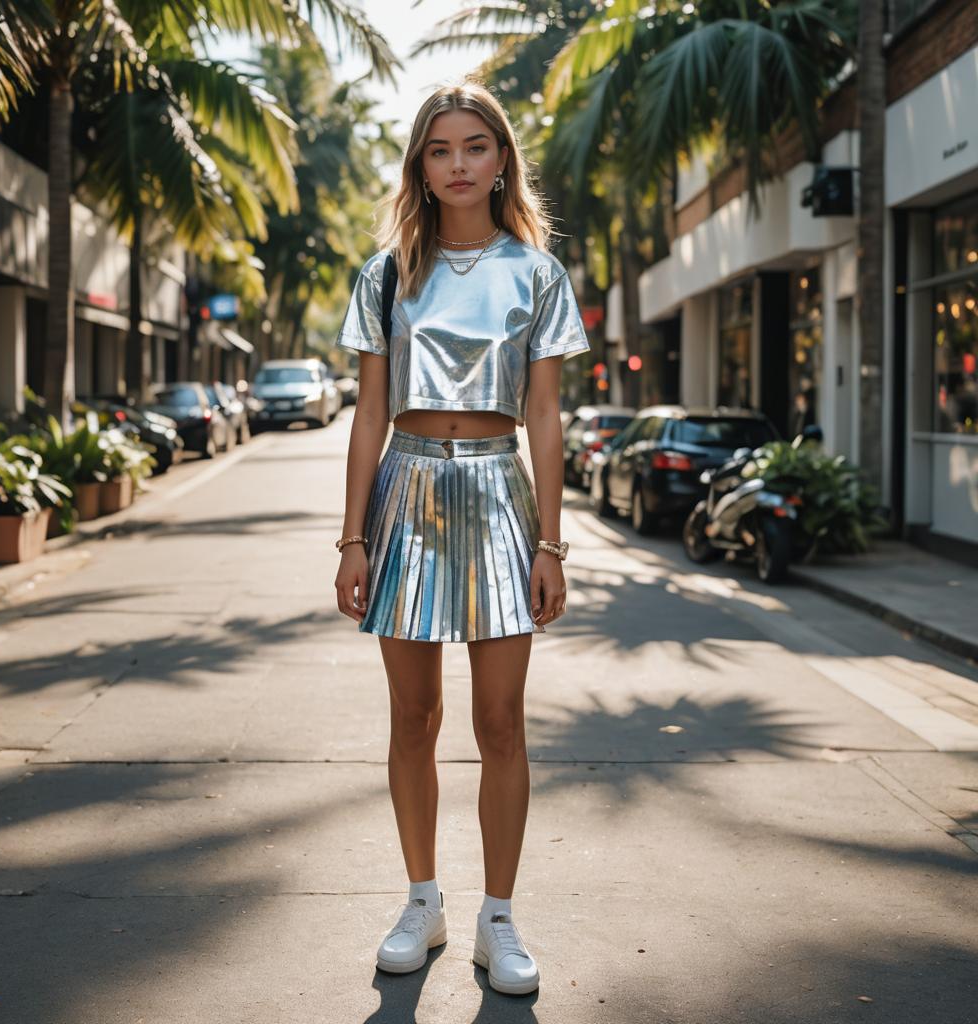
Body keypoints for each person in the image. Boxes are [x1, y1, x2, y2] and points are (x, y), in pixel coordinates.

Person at [331, 80, 589, 996]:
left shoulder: (537, 274)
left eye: (475, 146)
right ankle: (422, 900)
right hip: (404, 486)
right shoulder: (386, 271)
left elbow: (548, 418)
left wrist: (550, 544)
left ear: (501, 157)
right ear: (420, 165)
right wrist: (352, 538)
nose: (458, 164)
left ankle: (500, 917)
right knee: (413, 718)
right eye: (440, 150)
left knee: (502, 723)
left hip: (496, 492)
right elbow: (367, 414)